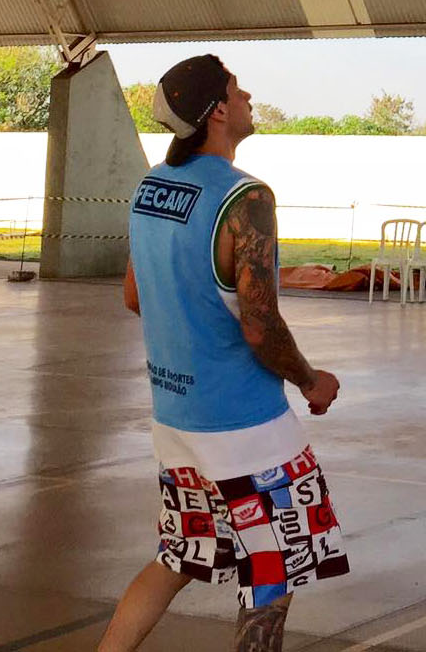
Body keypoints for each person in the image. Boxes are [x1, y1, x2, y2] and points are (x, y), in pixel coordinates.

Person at [100, 56, 346, 652]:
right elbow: (260, 327)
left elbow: (135, 296)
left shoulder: (150, 187)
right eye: (238, 91)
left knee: (179, 557)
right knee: (274, 571)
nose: (249, 97)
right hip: (245, 425)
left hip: (174, 421)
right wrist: (312, 381)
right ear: (217, 112)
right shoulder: (247, 198)